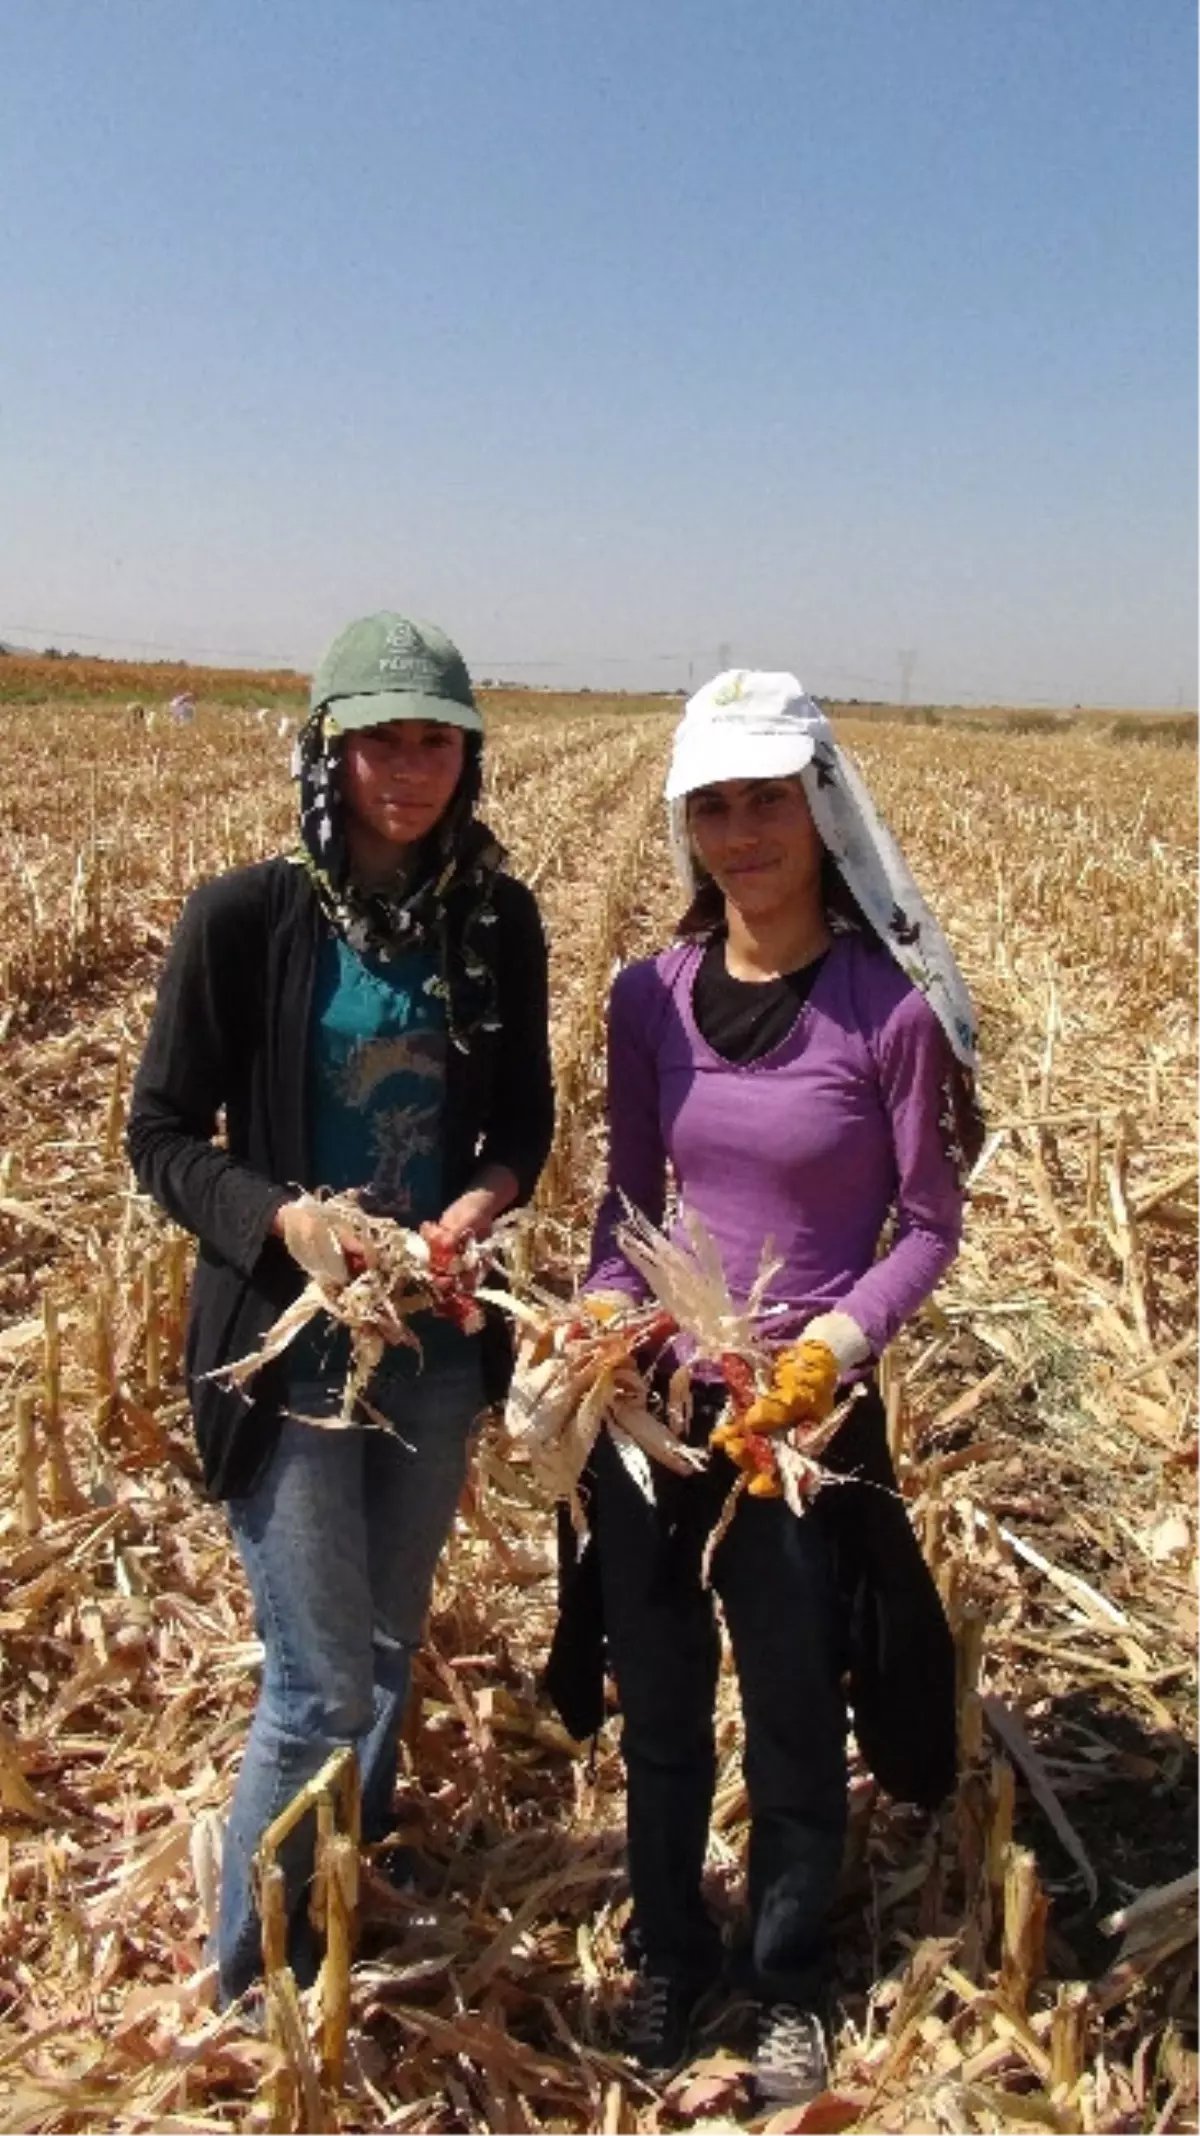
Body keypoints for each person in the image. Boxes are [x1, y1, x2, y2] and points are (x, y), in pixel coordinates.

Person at [557, 670, 983, 2101]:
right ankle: (674, 1950)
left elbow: (925, 1226)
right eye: (713, 805)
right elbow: (627, 1208)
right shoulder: (647, 998)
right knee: (662, 1702)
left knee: (799, 1709)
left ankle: (787, 1972)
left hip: (792, 1427)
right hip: (665, 1419)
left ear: (820, 807)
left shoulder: (889, 1016)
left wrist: (828, 1357)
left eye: (765, 800)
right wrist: (603, 1324)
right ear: (686, 823)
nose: (740, 832)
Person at [127, 612, 554, 2005]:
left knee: (384, 1642)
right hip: (289, 1343)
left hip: (431, 1339)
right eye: (380, 737)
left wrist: (482, 1205)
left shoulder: (497, 921)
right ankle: (250, 1995)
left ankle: (341, 1873)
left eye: (436, 738)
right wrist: (284, 1223)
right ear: (330, 746)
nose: (409, 768)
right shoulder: (243, 917)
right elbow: (162, 1135)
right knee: (315, 1682)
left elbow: (526, 1122)